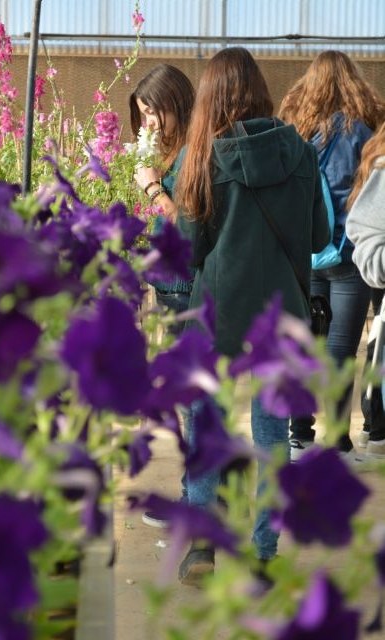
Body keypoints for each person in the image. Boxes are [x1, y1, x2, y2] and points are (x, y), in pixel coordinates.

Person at [174, 47, 329, 585]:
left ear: (212, 97)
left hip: (216, 315)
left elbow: (188, 250)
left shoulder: (205, 157)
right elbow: (320, 238)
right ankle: (263, 554)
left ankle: (202, 547)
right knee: (272, 435)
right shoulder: (301, 152)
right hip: (281, 316)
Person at [278, 50, 385, 462]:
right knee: (341, 348)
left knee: (305, 344)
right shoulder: (362, 133)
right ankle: (337, 440)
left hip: (306, 254)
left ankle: (298, 434)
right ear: (353, 84)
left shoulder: (294, 132)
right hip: (349, 255)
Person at [129, 64, 195, 526]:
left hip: (186, 288)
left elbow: (186, 222)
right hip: (171, 284)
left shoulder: (195, 153)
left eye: (153, 112)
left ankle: (198, 503)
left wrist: (152, 185)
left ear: (176, 102)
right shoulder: (176, 149)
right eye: (142, 114)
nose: (148, 123)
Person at [346, 121, 385, 458]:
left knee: (375, 346)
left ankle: (373, 425)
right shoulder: (365, 137)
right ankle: (375, 425)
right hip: (364, 262)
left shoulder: (371, 146)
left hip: (361, 265)